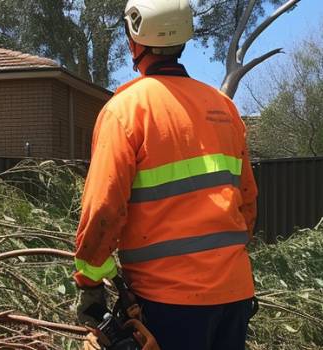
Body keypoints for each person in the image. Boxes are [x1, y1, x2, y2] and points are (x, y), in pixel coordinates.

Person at [72, 0, 259, 349]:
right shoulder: (224, 108)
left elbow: (102, 211)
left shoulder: (126, 111)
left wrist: (89, 283)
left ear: (133, 39)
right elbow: (247, 204)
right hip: (234, 295)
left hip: (168, 302)